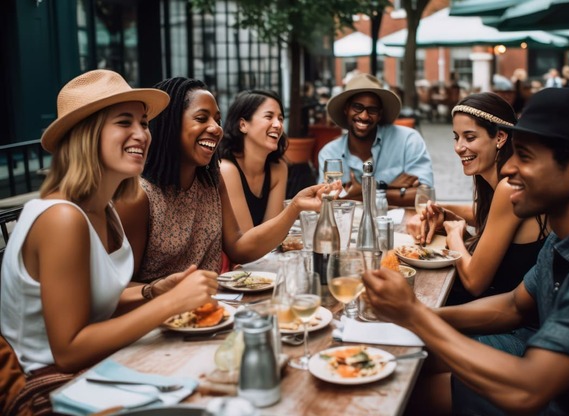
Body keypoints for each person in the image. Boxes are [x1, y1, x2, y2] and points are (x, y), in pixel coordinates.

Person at [363, 87, 569, 415]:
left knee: (400, 390)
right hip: (535, 361)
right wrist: (418, 315)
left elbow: (528, 389)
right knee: (394, 362)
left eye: (525, 156)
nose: (509, 169)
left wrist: (413, 316)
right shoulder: (567, 234)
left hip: (556, 399)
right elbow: (514, 305)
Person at [0, 70, 220, 412]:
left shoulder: (102, 209)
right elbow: (69, 350)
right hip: (48, 388)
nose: (142, 134)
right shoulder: (62, 218)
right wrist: (171, 303)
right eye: (124, 122)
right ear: (86, 135)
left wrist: (153, 290)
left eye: (144, 123)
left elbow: (93, 298)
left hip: (98, 372)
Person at [116, 77, 332, 283]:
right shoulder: (138, 196)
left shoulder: (211, 181)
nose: (216, 128)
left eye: (217, 120)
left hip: (216, 311)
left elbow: (240, 247)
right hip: (165, 317)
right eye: (202, 118)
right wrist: (160, 291)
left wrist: (294, 207)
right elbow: (122, 287)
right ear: (171, 124)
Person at [411, 93, 547, 312]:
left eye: (470, 137)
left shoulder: (509, 187)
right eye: (456, 137)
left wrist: (455, 235)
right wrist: (443, 211)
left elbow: (475, 283)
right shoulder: (493, 181)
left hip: (511, 323)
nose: (458, 147)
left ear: (500, 137)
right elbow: (484, 214)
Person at [318, 73, 434, 207]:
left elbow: (425, 196)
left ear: (380, 115)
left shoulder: (408, 140)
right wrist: (391, 189)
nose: (364, 116)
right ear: (346, 109)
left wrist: (363, 193)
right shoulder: (329, 153)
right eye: (357, 107)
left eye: (372, 110)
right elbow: (325, 201)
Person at [218, 90, 288, 232]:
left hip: (262, 252)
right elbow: (246, 240)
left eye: (280, 119)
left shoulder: (278, 168)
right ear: (243, 125)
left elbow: (271, 234)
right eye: (269, 116)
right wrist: (295, 207)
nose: (278, 125)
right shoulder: (226, 169)